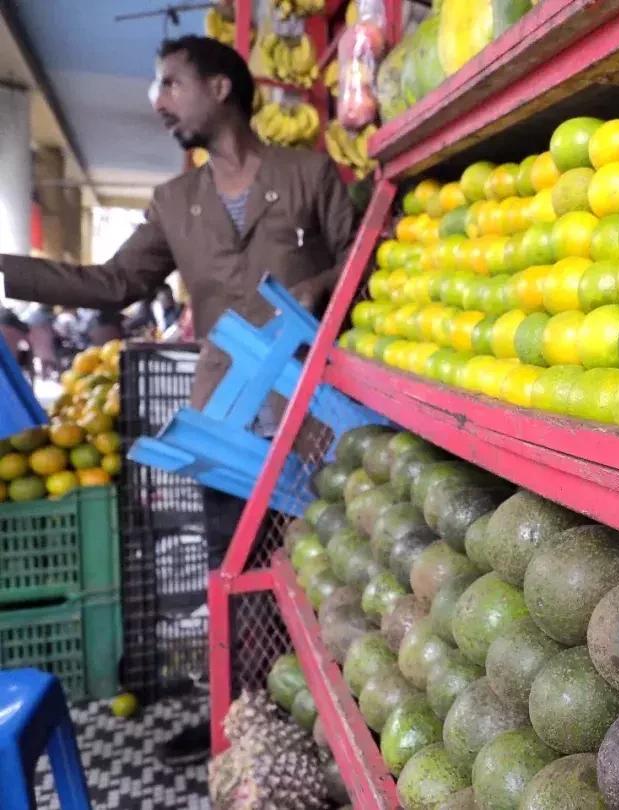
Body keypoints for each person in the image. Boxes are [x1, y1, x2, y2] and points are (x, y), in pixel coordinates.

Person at [0, 35, 358, 764]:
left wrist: (319, 287)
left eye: (170, 84)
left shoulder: (309, 175)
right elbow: (113, 285)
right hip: (225, 423)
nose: (159, 102)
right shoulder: (174, 203)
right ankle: (243, 719)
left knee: (340, 562)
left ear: (220, 87)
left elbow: (361, 255)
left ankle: (340, 713)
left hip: (319, 417)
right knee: (235, 577)